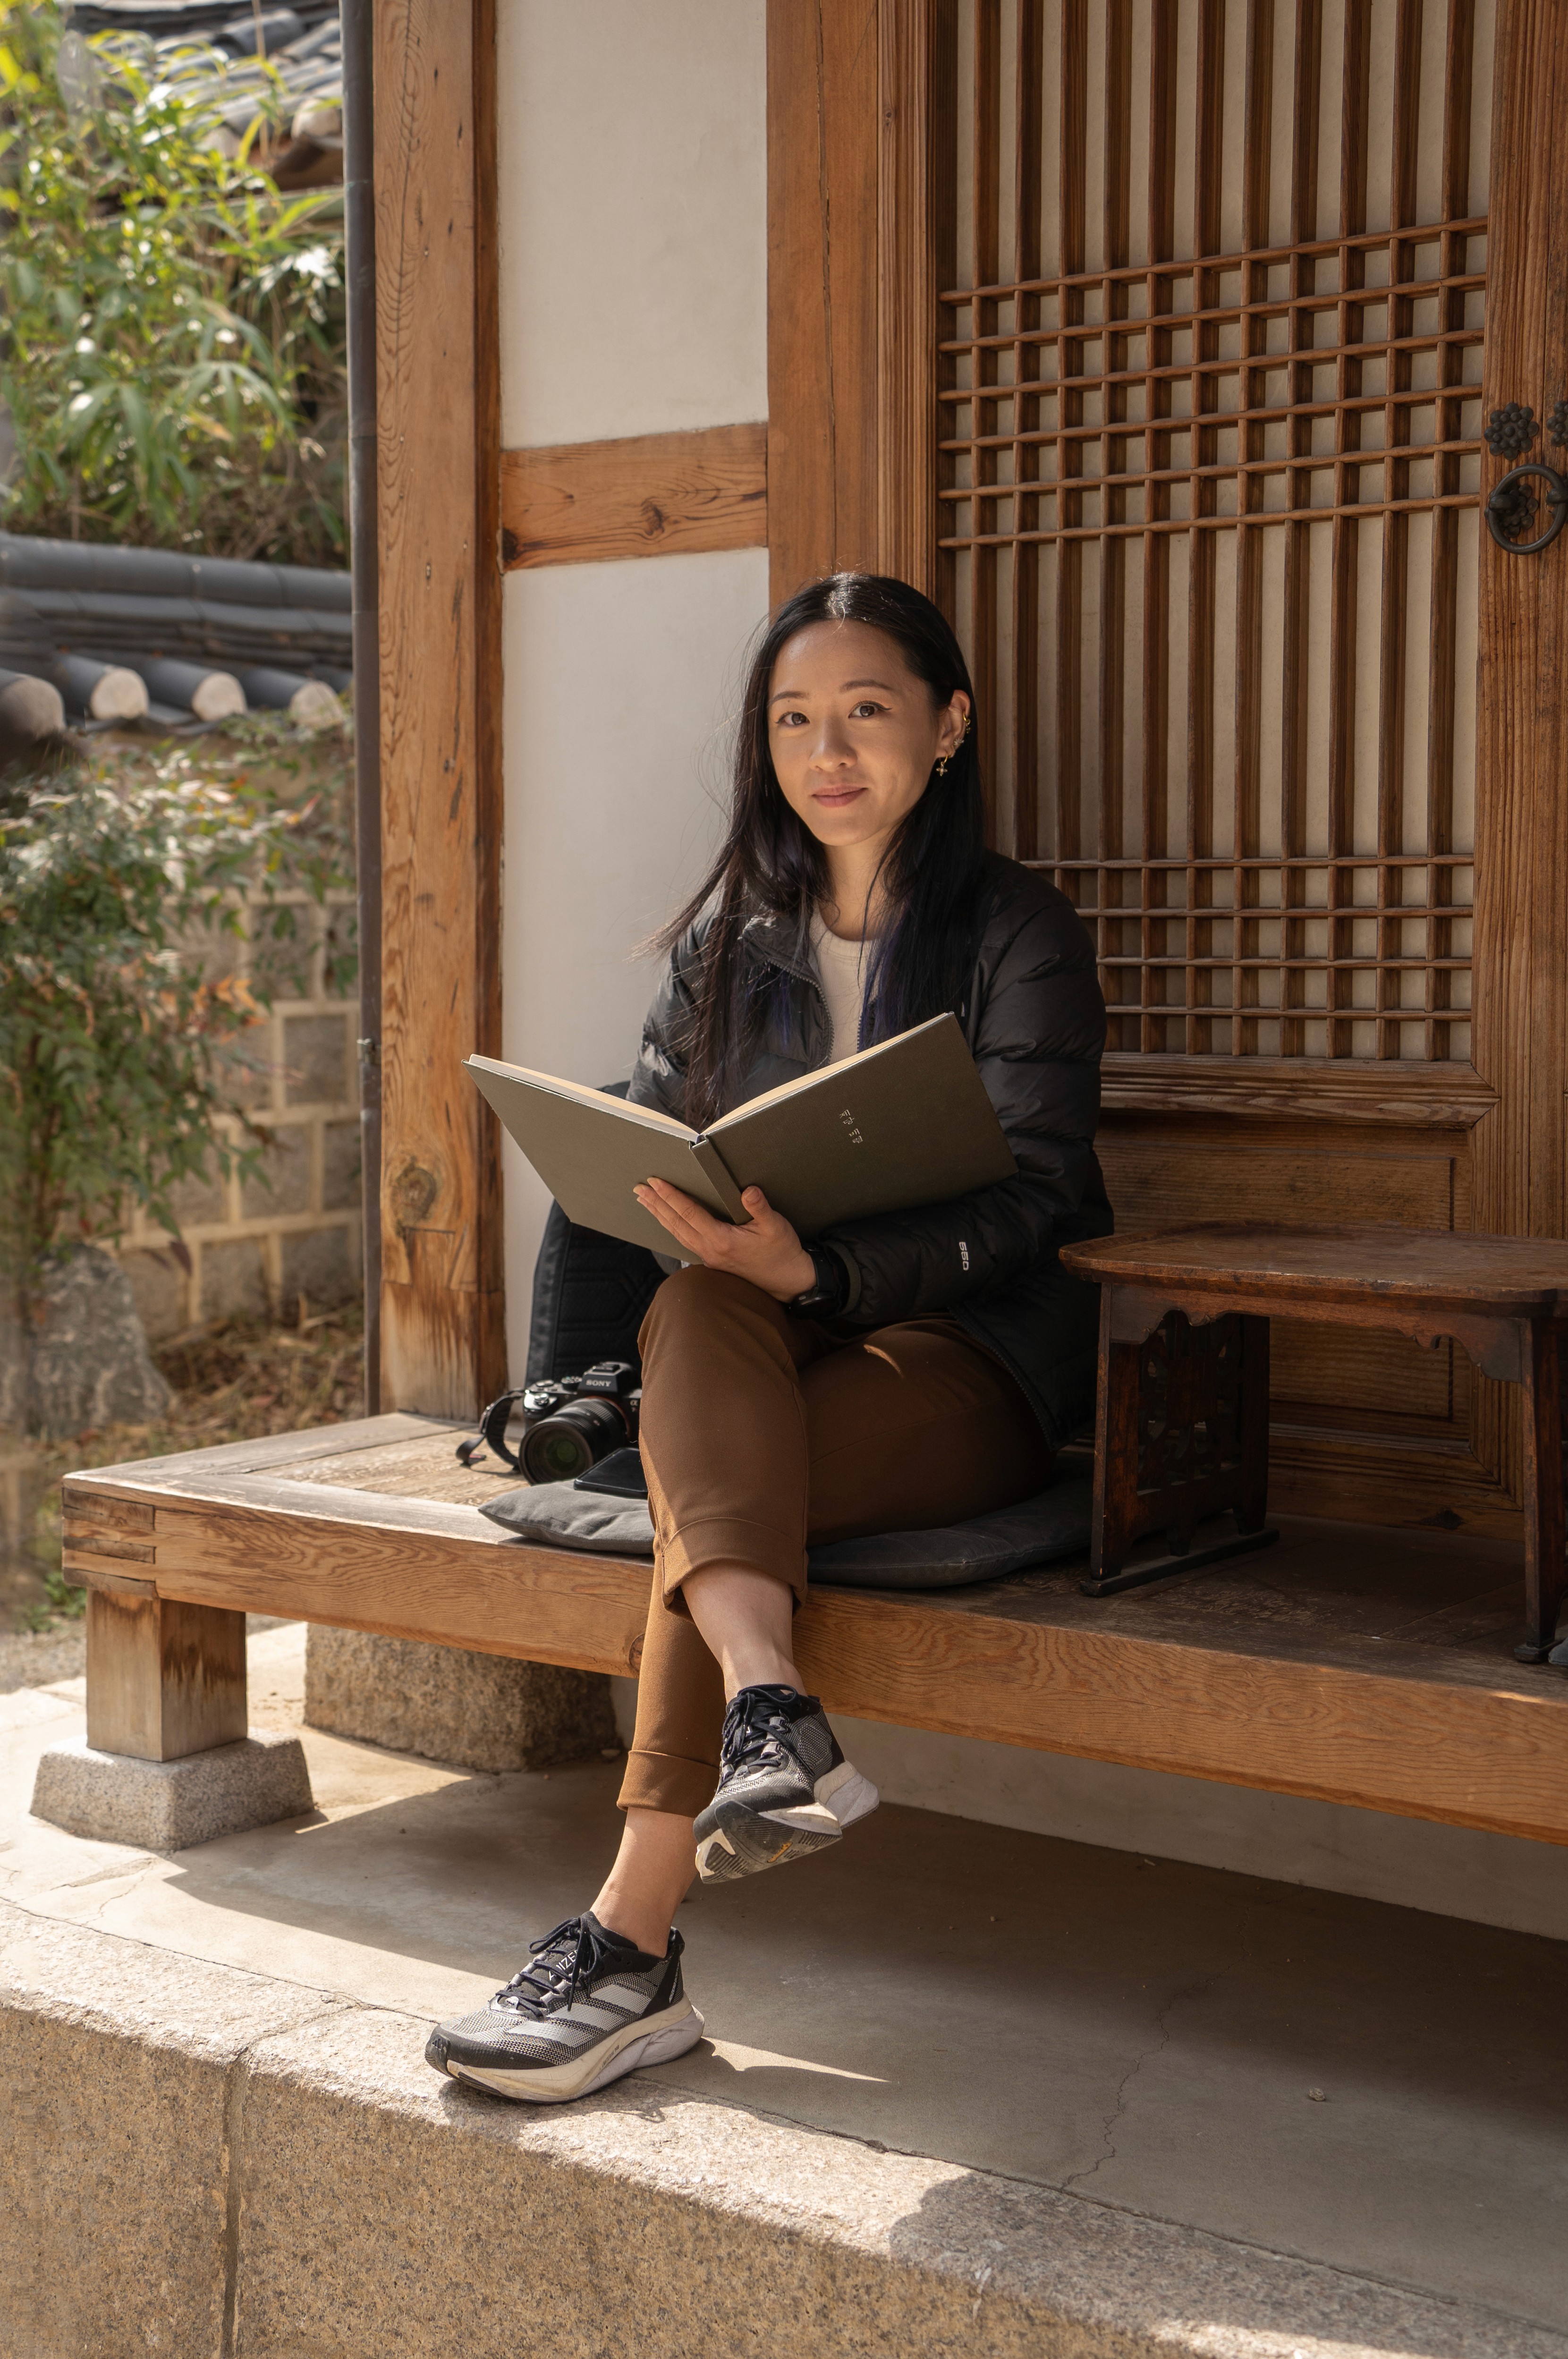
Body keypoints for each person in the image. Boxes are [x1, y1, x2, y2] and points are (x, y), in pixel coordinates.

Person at [426, 572, 1111, 2104]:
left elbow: (1044, 1203)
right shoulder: (732, 936)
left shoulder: (1019, 933)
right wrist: (679, 1205)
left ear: (950, 725)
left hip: (970, 1362)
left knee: (708, 1496)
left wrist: (822, 1266)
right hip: (749, 1347)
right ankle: (767, 1715)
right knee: (696, 1306)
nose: (830, 750)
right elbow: (668, 1142)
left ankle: (631, 1942)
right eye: (795, 718)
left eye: (868, 709)